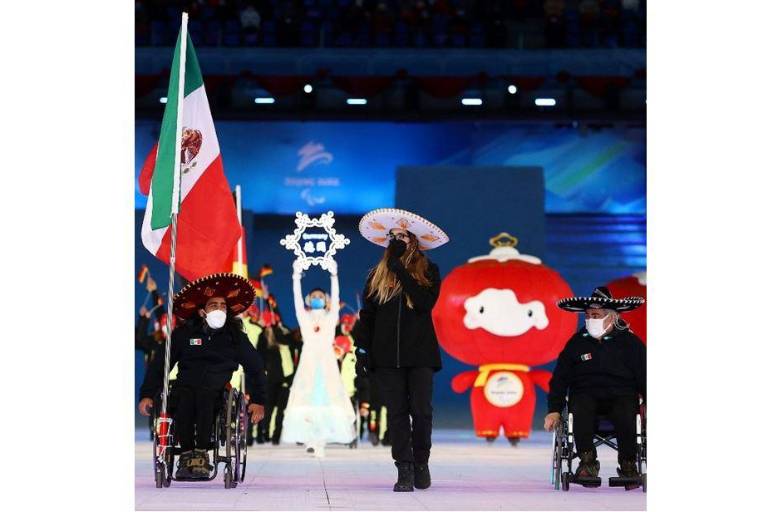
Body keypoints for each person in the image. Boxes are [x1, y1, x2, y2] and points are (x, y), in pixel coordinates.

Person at [352, 208, 449, 492]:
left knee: (421, 411)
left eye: (403, 236)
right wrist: (362, 350)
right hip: (386, 356)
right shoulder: (376, 275)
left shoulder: (429, 270)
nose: (397, 241)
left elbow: (424, 304)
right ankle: (403, 467)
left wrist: (401, 270)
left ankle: (421, 462)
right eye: (392, 236)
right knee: (396, 413)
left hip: (419, 354)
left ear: (413, 241)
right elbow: (367, 316)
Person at [138, 273, 267, 480]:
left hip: (217, 391)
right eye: (214, 305)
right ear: (202, 311)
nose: (219, 309)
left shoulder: (235, 337)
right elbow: (159, 365)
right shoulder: (183, 335)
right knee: (184, 397)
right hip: (185, 387)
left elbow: (256, 367)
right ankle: (187, 454)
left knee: (205, 395)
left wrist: (259, 400)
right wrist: (146, 395)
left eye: (223, 306)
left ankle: (201, 453)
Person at [544, 286, 646, 489]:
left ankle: (628, 465)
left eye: (596, 315)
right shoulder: (576, 343)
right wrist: (554, 410)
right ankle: (587, 463)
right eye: (588, 315)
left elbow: (646, 376)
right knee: (580, 405)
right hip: (585, 396)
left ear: (611, 317)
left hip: (621, 395)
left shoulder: (631, 343)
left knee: (626, 409)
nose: (591, 319)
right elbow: (560, 379)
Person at [281, 259, 356, 457]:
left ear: (326, 300)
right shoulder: (304, 317)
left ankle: (321, 442)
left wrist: (334, 275)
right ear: (309, 300)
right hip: (308, 362)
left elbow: (336, 295)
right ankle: (310, 439)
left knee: (325, 399)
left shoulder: (331, 317)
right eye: (313, 296)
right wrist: (296, 277)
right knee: (307, 400)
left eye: (320, 296)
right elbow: (296, 300)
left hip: (326, 362)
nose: (317, 298)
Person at [255, 300, 301, 445]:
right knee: (271, 409)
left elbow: (293, 342)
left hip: (284, 378)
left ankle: (273, 435)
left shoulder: (282, 334)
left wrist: (274, 308)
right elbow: (259, 356)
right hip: (273, 379)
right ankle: (267, 434)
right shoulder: (265, 336)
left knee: (278, 409)